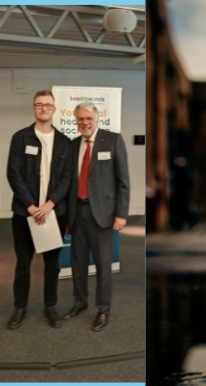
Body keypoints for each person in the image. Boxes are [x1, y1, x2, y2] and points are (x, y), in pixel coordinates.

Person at [6, 90, 72, 329]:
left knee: (52, 264)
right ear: (33, 109)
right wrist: (32, 207)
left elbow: (67, 178)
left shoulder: (64, 142)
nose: (44, 108)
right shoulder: (20, 138)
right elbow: (13, 174)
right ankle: (20, 308)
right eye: (39, 105)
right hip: (25, 213)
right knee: (23, 263)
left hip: (55, 213)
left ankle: (50, 306)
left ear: (55, 110)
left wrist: (49, 204)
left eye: (49, 105)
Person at [63, 101, 129, 331]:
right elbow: (68, 183)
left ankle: (103, 310)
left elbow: (124, 181)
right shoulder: (72, 145)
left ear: (97, 119)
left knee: (103, 265)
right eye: (80, 119)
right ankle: (80, 304)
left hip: (103, 214)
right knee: (78, 264)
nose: (84, 123)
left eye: (88, 118)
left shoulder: (112, 140)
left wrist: (121, 214)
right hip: (76, 212)